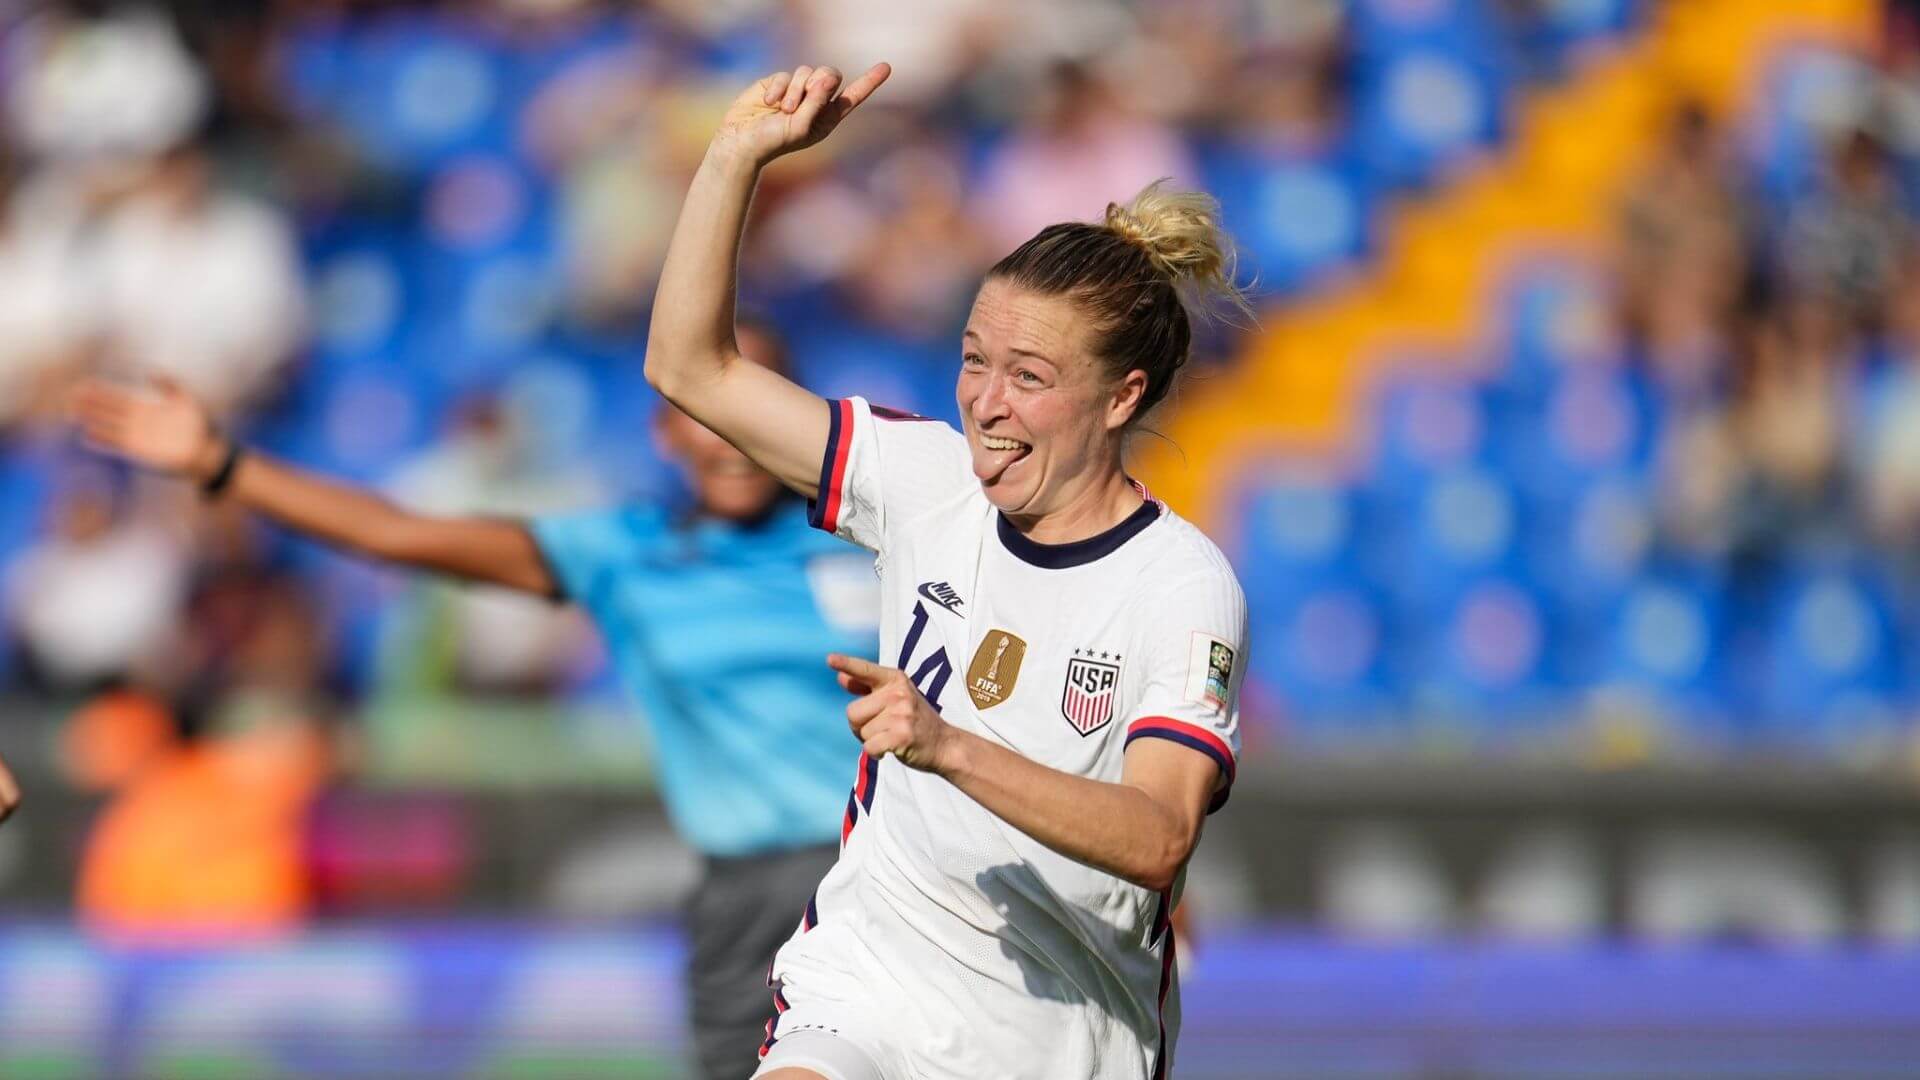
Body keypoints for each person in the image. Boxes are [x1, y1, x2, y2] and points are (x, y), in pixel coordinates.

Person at [644, 62, 1249, 1080]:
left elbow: (1157, 839)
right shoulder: (923, 478)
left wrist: (945, 744)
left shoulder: (1182, 586)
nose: (987, 402)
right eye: (975, 360)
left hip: (1062, 1036)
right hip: (868, 989)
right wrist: (735, 157)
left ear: (1119, 397)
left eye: (1029, 377)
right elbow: (690, 369)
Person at [70, 321, 879, 1080]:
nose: (730, 432)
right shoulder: (628, 555)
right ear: (666, 431)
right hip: (747, 906)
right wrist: (222, 464)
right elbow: (404, 535)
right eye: (708, 405)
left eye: (756, 399)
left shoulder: (878, 541)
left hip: (887, 881)